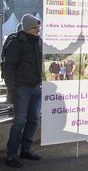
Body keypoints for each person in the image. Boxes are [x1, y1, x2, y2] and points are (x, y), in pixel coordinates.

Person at [3, 15, 44, 168]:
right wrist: (12, 89)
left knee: (33, 120)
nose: (38, 30)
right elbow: (8, 68)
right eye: (35, 28)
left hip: (35, 87)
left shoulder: (38, 41)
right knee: (19, 121)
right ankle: (11, 155)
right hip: (22, 89)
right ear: (27, 28)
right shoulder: (16, 43)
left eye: (38, 27)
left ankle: (25, 150)